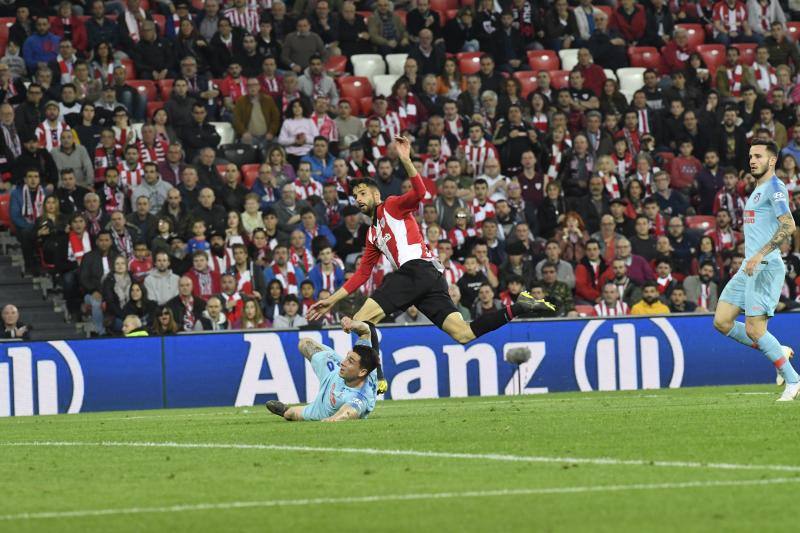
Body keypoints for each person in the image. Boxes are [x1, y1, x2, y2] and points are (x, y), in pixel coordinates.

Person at [308, 136, 554, 392]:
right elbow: (362, 273)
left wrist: (406, 160)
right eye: (355, 195)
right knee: (463, 334)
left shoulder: (390, 206)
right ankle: (519, 307)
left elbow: (420, 193)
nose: (358, 198)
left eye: (362, 193)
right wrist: (332, 299)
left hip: (416, 270)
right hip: (429, 277)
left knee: (361, 321)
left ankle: (364, 384)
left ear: (376, 194)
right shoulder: (372, 233)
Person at [713, 140, 800, 400]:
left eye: (759, 156)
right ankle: (777, 350)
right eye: (751, 156)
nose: (752, 160)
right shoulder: (757, 189)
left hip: (764, 265)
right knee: (722, 321)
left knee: (755, 329)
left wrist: (760, 254)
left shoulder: (775, 188)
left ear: (772, 161)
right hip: (749, 266)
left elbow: (789, 226)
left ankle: (793, 380)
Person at [265, 317, 379, 421]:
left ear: (362, 372)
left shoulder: (360, 396)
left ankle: (285, 410)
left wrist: (333, 419)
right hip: (333, 373)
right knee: (305, 343)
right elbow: (365, 330)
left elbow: (349, 412)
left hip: (323, 408)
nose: (344, 362)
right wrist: (352, 324)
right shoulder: (365, 356)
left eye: (350, 361)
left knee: (290, 414)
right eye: (347, 357)